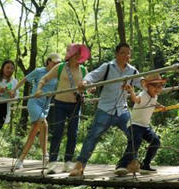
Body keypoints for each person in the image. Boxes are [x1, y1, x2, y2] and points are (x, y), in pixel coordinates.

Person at [68, 42, 142, 178]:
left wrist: (152, 83)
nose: (126, 55)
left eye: (128, 53)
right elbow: (92, 76)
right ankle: (79, 166)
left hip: (122, 110)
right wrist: (84, 83)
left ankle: (130, 163)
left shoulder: (132, 71)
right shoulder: (108, 67)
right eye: (122, 53)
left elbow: (142, 82)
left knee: (134, 134)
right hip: (105, 109)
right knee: (92, 137)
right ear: (116, 54)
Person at [34, 44, 90, 174]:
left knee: (73, 133)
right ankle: (52, 163)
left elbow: (89, 84)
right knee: (58, 132)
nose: (78, 57)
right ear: (70, 55)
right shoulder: (60, 68)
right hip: (60, 103)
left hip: (75, 105)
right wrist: (39, 89)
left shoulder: (83, 70)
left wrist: (88, 88)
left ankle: (68, 162)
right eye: (75, 54)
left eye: (79, 55)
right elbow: (45, 78)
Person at [10, 52, 62, 170]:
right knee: (43, 125)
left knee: (37, 129)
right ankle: (44, 156)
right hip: (34, 102)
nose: (57, 64)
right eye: (55, 62)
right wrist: (14, 90)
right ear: (48, 61)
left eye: (58, 63)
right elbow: (24, 79)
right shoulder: (39, 71)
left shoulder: (58, 74)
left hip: (45, 105)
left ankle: (23, 159)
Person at [114, 73, 167, 176]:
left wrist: (160, 106)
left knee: (155, 141)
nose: (157, 89)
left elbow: (153, 103)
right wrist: (132, 92)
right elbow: (136, 100)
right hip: (135, 124)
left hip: (145, 126)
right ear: (147, 86)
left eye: (160, 86)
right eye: (154, 86)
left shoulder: (154, 96)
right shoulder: (144, 94)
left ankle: (145, 165)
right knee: (135, 142)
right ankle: (121, 165)